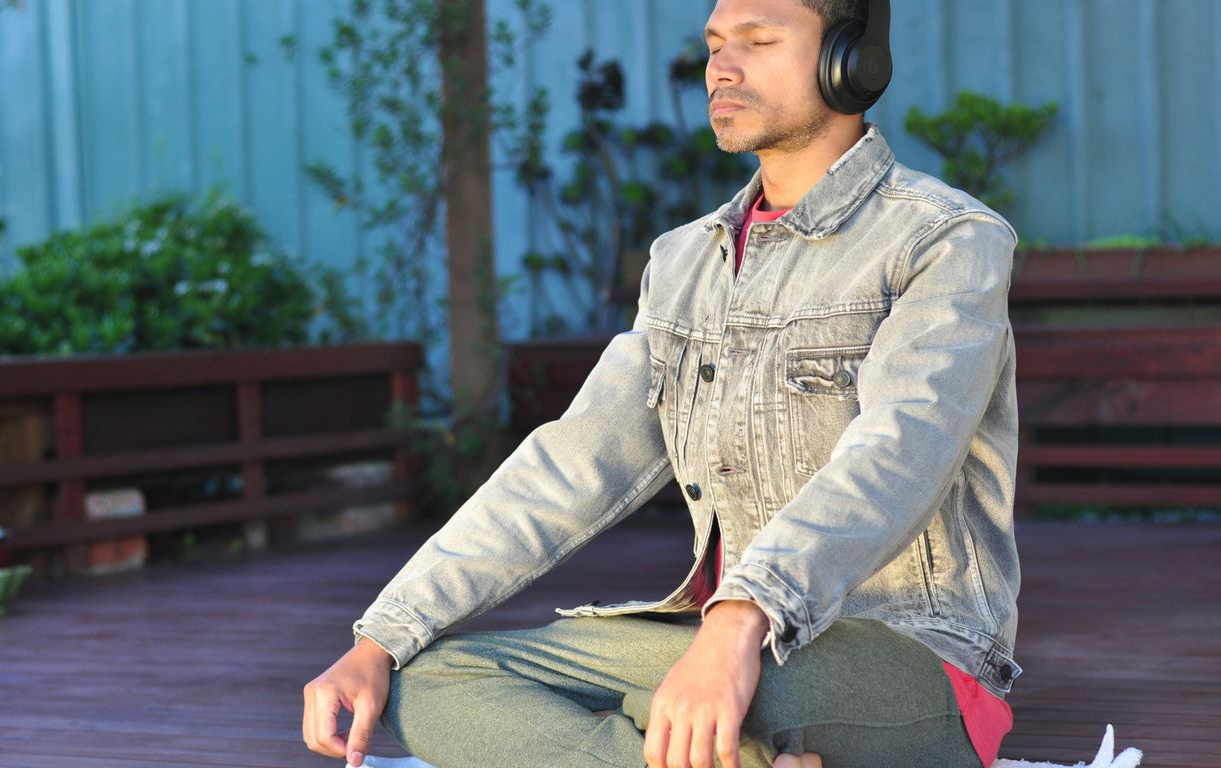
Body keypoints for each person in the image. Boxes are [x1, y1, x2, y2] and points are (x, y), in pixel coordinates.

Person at [304, 0, 1022, 765]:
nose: (722, 66)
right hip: (715, 643)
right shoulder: (683, 263)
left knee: (695, 703)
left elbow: (900, 452)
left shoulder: (947, 239)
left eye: (757, 40)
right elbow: (570, 466)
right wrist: (383, 633)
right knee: (430, 684)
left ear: (851, 61)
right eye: (715, 43)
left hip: (906, 656)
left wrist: (742, 616)